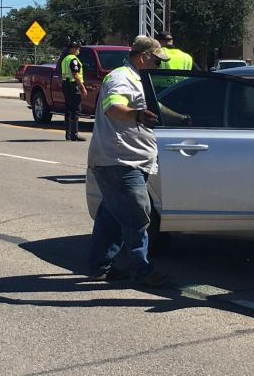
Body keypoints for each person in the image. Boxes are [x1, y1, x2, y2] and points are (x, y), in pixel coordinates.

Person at [85, 35, 171, 287]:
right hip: (119, 160)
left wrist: (183, 118)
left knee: (111, 216)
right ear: (143, 57)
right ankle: (142, 271)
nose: (158, 66)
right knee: (138, 216)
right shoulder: (120, 77)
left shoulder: (139, 79)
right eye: (156, 60)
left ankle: (100, 267)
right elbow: (113, 107)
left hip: (129, 159)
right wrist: (137, 116)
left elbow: (156, 110)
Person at [58, 40, 87, 142]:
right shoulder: (74, 60)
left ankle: (68, 134)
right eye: (78, 48)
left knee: (68, 110)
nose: (79, 50)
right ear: (73, 49)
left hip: (66, 85)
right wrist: (82, 87)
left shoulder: (65, 59)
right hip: (73, 86)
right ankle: (74, 134)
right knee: (75, 110)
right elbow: (75, 74)